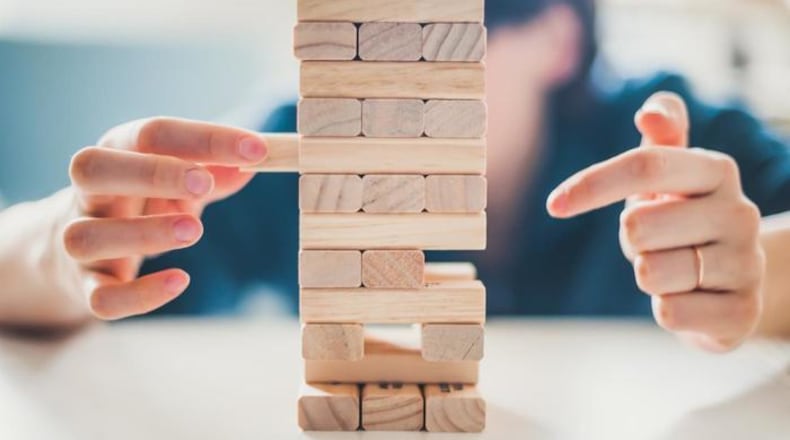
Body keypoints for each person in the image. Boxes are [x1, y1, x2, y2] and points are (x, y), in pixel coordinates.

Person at [1, 0, 789, 353]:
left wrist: (757, 276)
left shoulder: (684, 140)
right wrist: (63, 247)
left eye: (427, 47)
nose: (376, 95)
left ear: (556, 36)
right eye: (348, 47)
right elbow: (33, 267)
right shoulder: (284, 150)